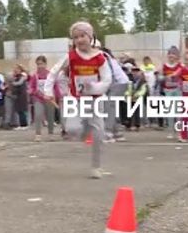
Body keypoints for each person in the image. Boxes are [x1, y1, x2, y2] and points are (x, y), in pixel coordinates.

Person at [44, 20, 113, 179]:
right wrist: (48, 91)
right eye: (76, 37)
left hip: (95, 101)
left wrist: (94, 88)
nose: (79, 40)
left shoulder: (100, 58)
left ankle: (96, 166)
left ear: (90, 37)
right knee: (72, 129)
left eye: (82, 36)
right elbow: (53, 72)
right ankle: (86, 132)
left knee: (98, 135)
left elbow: (107, 80)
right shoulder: (71, 56)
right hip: (75, 100)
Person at [29, 56, 57, 141]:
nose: (39, 66)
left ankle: (51, 133)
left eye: (41, 64)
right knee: (38, 115)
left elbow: (55, 87)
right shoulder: (35, 76)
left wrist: (56, 96)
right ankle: (38, 134)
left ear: (45, 64)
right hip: (38, 99)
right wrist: (35, 93)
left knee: (50, 117)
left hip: (49, 99)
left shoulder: (50, 75)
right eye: (38, 64)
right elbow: (31, 88)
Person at [124, 67, 149, 131]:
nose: (135, 73)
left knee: (137, 112)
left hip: (138, 98)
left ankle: (137, 125)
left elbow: (143, 90)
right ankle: (129, 125)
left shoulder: (143, 81)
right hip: (130, 98)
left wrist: (136, 95)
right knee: (128, 111)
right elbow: (127, 89)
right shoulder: (129, 80)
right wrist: (128, 95)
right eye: (133, 71)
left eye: (136, 71)